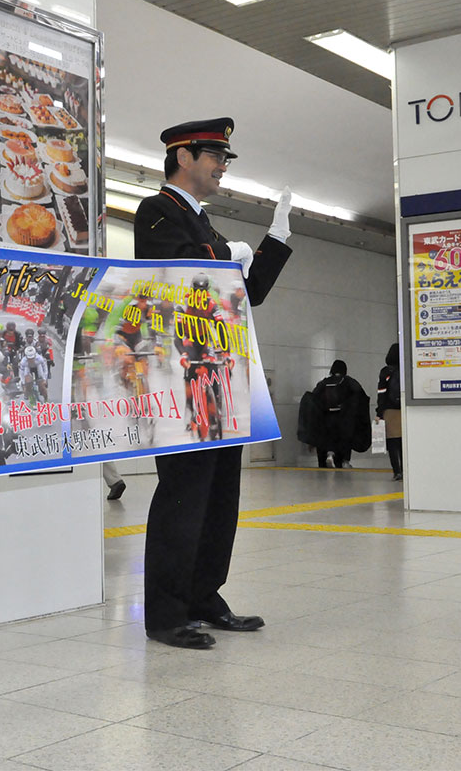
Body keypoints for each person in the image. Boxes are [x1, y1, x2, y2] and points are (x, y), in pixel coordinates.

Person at [134, 118, 292, 650]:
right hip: (181, 379)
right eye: (215, 156)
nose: (223, 166)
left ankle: (204, 597)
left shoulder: (206, 225)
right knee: (183, 495)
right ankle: (166, 613)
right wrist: (229, 255)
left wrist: (275, 241)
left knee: (220, 496)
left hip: (221, 377)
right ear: (184, 156)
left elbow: (251, 293)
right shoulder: (158, 212)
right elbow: (175, 268)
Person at [311, 360, 370, 469]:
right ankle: (345, 461)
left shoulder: (324, 382)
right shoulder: (349, 381)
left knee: (330, 436)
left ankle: (330, 454)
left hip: (327, 416)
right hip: (345, 417)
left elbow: (314, 397)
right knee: (346, 438)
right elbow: (361, 395)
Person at [376, 343, 404, 480]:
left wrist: (379, 413)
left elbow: (381, 394)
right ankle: (406, 470)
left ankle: (397, 471)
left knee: (392, 443)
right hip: (404, 410)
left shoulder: (385, 372)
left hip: (389, 411)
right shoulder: (406, 370)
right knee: (404, 443)